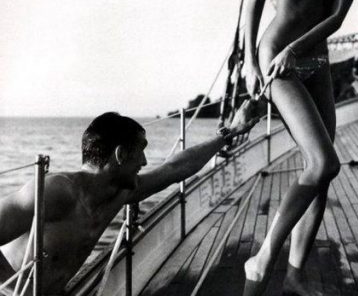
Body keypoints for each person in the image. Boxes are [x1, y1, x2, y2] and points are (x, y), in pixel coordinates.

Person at [0, 102, 260, 295]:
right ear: (121, 154)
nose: (145, 162)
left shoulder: (119, 192)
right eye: (140, 152)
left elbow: (175, 168)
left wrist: (229, 133)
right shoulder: (56, 192)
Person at [243, 0, 358, 295]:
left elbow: (338, 15)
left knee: (321, 176)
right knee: (324, 161)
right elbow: (253, 3)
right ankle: (262, 258)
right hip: (277, 59)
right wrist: (249, 62)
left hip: (314, 60)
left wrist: (300, 49)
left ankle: (294, 276)